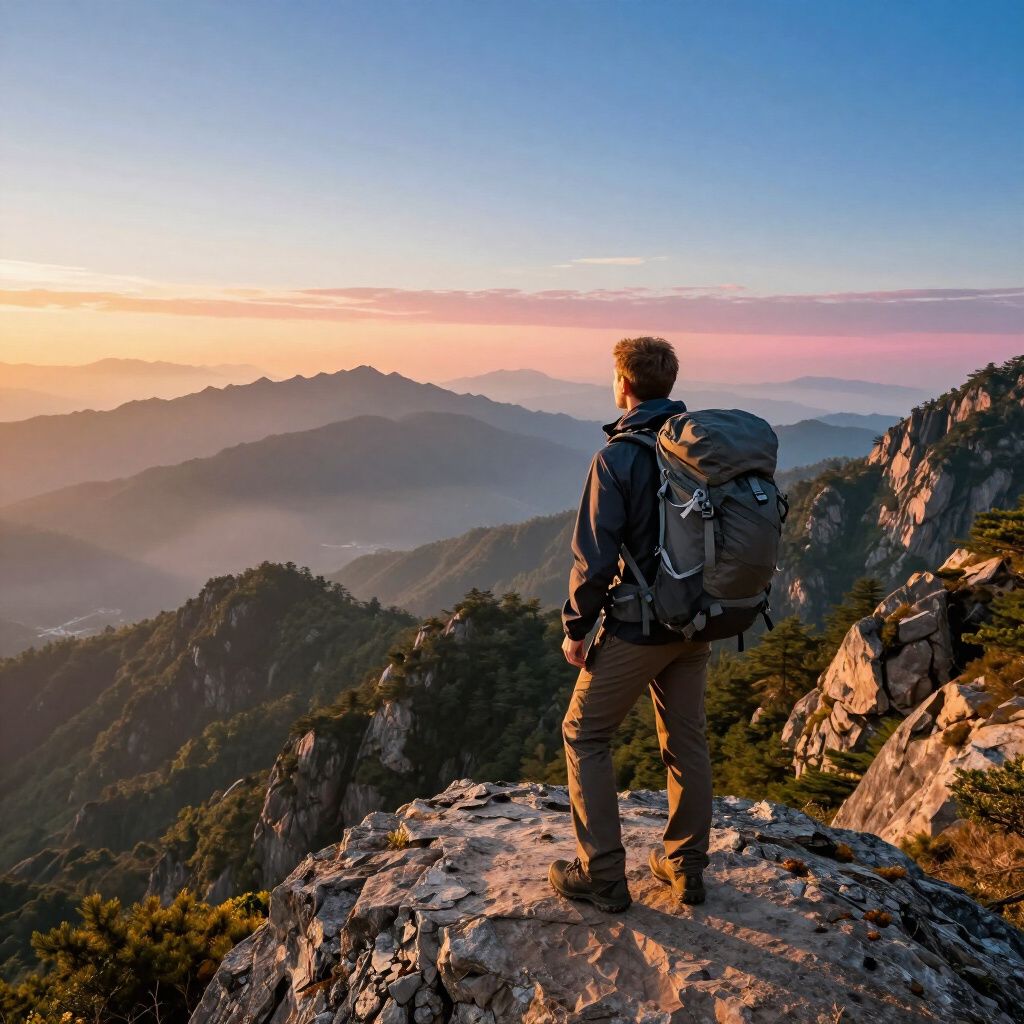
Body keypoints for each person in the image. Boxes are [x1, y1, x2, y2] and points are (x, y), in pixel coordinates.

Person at [547, 336, 713, 912]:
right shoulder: (702, 449)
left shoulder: (617, 458)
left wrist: (576, 627)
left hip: (639, 628)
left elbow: (593, 559)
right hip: (697, 623)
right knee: (685, 739)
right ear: (668, 385)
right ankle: (685, 866)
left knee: (584, 734)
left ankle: (603, 876)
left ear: (623, 385)